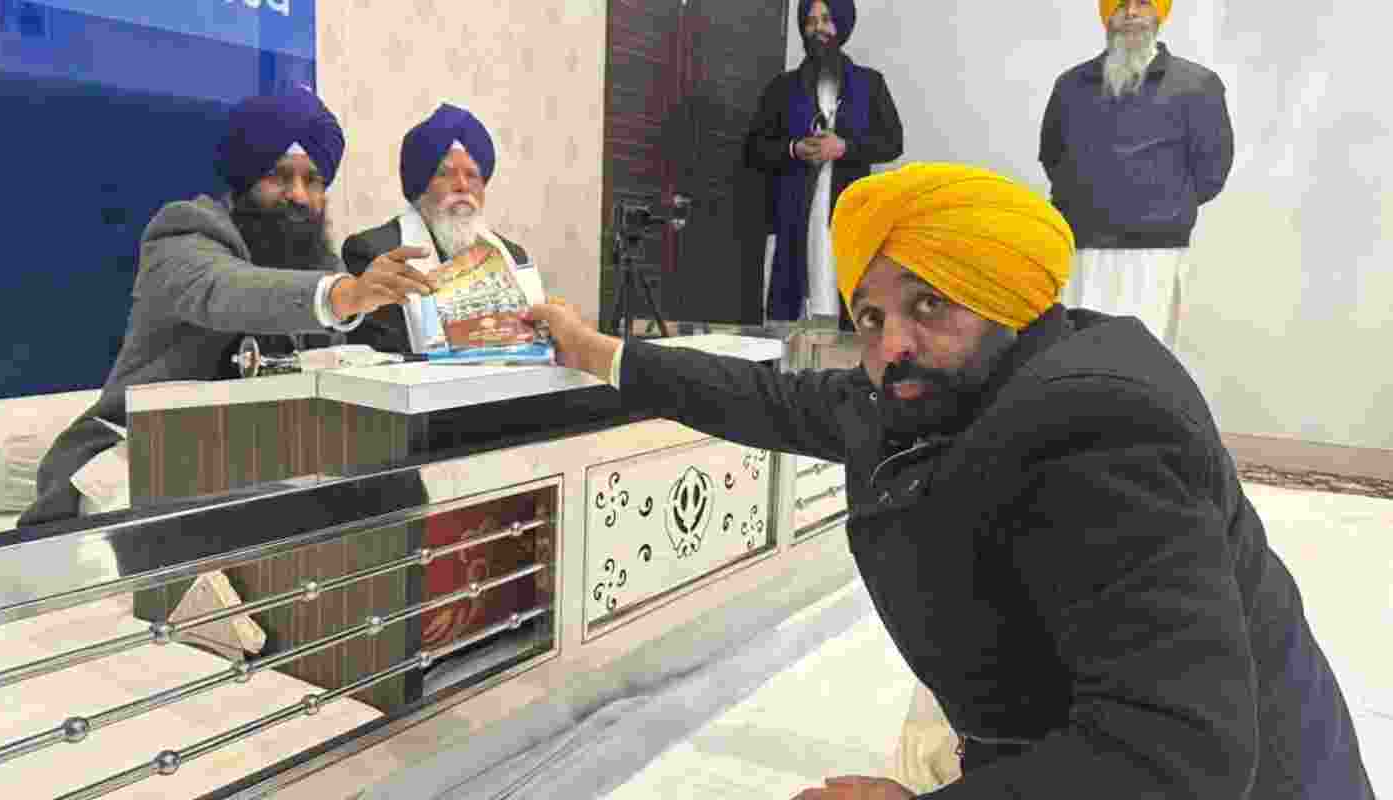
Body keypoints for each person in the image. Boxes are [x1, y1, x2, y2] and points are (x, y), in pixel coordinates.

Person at [526, 163, 1373, 799]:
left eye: (928, 304)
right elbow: (769, 397)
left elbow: (1175, 751)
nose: (890, 343)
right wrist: (597, 352)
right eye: (869, 316)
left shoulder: (1097, 426)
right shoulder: (933, 391)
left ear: (1003, 294)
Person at [19, 89, 434, 526]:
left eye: (312, 181)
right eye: (279, 176)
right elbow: (223, 290)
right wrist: (341, 296)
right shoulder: (183, 233)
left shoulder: (317, 260)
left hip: (255, 455)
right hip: (139, 452)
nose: (298, 195)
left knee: (391, 486)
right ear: (243, 180)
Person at [1040, 0, 1233, 349]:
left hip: (1155, 252)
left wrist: (1162, 207)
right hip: (1082, 249)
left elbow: (1212, 169)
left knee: (1145, 359)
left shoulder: (1196, 85)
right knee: (1077, 355)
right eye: (1120, 5)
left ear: (1159, 12)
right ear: (1106, 15)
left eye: (1142, 3)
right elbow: (1053, 156)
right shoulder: (1072, 85)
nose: (1131, 13)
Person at [744, 0, 903, 330]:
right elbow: (754, 149)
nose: (818, 28)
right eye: (811, 21)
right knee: (789, 319)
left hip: (846, 216)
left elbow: (892, 143)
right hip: (792, 215)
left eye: (827, 20)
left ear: (842, 26)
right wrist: (793, 148)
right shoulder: (782, 87)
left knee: (843, 306)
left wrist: (844, 147)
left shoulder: (869, 84)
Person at [341, 103, 532, 354]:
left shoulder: (513, 257)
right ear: (420, 187)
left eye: (473, 175)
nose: (462, 186)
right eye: (446, 174)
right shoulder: (376, 252)